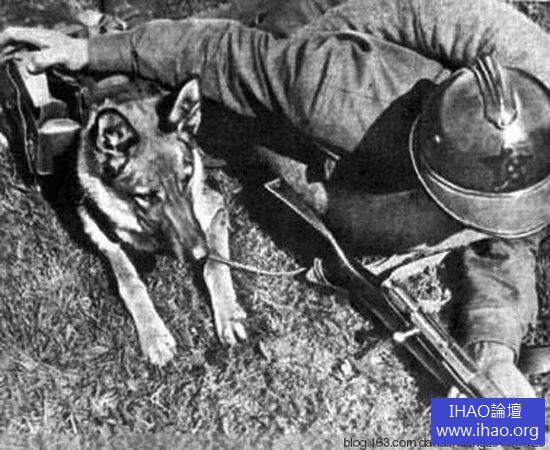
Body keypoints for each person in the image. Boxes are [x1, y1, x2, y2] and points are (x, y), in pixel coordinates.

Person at [1, 0, 549, 398]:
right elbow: (219, 53)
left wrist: (493, 350)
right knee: (157, 100)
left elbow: (509, 237)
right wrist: (88, 51)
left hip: (376, 113)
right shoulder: (332, 86)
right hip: (304, 54)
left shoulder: (530, 148)